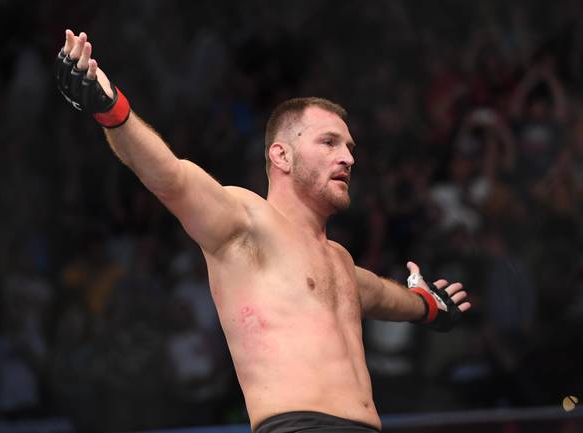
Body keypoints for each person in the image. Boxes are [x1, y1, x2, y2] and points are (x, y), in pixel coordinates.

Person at [55, 29, 471, 433]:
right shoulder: (247, 222)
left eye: (349, 148)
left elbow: (381, 295)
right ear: (281, 155)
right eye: (329, 142)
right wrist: (112, 110)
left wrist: (428, 306)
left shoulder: (339, 260)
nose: (347, 158)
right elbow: (171, 177)